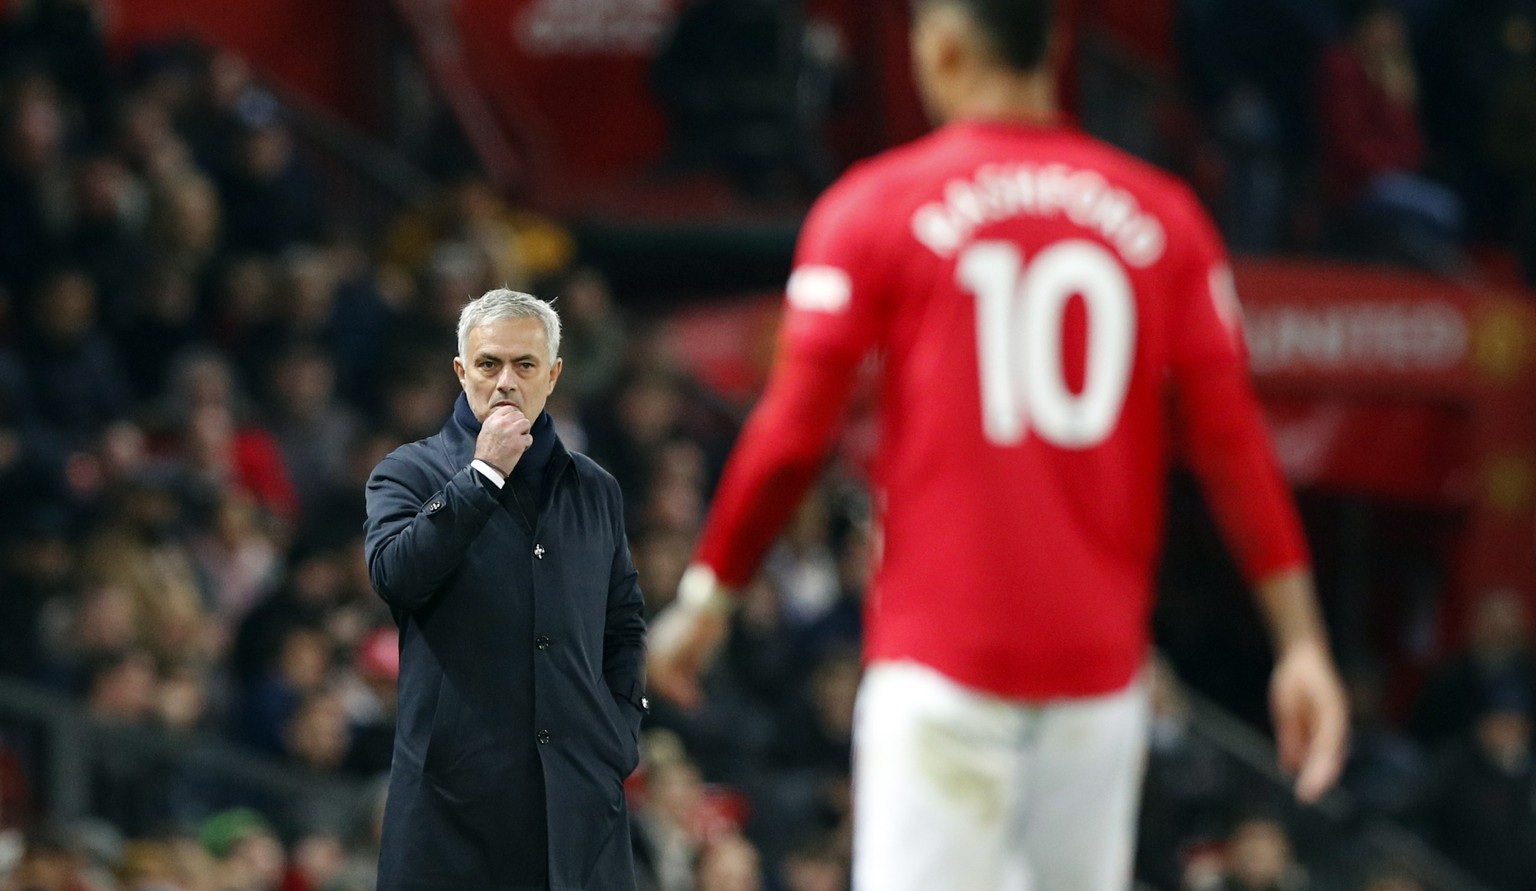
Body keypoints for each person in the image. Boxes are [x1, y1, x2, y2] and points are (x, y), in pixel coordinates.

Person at [646, 2, 1349, 889]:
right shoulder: (1164, 218)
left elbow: (792, 435)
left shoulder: (875, 206)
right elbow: (1233, 446)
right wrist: (1302, 644)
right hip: (1097, 676)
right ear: (1052, 48)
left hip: (943, 667)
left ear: (938, 48)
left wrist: (707, 599)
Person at [364, 289, 648, 890]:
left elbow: (623, 625)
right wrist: (483, 475)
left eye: (525, 365)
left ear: (554, 375)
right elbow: (395, 576)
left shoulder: (595, 489)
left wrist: (617, 735)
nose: (505, 382)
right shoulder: (407, 473)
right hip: (455, 813)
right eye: (489, 364)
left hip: (580, 806)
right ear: (461, 371)